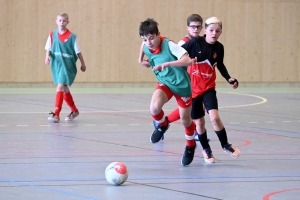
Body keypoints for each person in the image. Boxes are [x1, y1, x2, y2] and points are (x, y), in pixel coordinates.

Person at [181, 16, 241, 163]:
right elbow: (177, 54)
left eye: (218, 31)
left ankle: (226, 144)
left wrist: (229, 78)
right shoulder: (194, 43)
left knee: (215, 118)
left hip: (208, 88)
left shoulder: (219, 48)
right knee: (199, 123)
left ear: (221, 32)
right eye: (211, 30)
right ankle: (206, 149)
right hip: (193, 91)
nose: (214, 33)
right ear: (205, 30)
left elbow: (220, 65)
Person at [138, 18, 197, 166]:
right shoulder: (146, 45)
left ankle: (190, 146)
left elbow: (188, 60)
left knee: (185, 120)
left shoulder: (169, 45)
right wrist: (141, 61)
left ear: (159, 34)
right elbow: (143, 47)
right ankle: (163, 124)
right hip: (165, 82)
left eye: (152, 38)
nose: (149, 42)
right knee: (154, 107)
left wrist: (167, 64)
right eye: (145, 39)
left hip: (181, 86)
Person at [165, 14, 205, 141]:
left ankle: (166, 122)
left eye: (198, 27)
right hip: (187, 79)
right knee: (192, 107)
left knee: (196, 106)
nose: (196, 29)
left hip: (199, 78)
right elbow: (176, 59)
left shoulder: (202, 41)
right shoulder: (183, 42)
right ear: (188, 28)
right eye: (193, 27)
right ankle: (193, 131)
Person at [45, 12, 86, 123]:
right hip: (57, 65)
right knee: (65, 89)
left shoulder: (72, 37)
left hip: (67, 66)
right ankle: (74, 110)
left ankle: (56, 114)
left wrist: (83, 63)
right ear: (56, 21)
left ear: (67, 22)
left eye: (64, 21)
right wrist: (47, 57)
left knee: (59, 87)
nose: (62, 23)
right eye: (60, 20)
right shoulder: (52, 35)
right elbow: (48, 47)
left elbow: (78, 52)